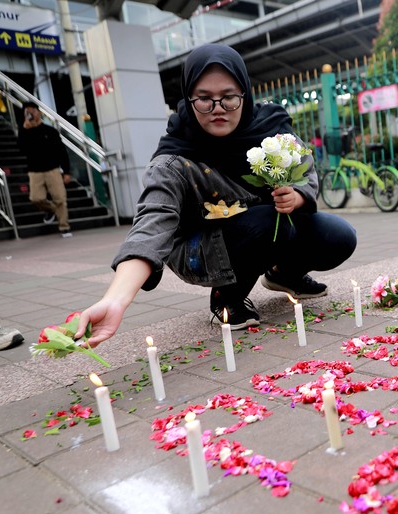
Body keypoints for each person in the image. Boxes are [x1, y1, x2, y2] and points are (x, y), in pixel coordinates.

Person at [77, 44, 357, 345]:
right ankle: (227, 297)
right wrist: (116, 299)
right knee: (265, 222)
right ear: (188, 97)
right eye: (204, 99)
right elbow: (151, 222)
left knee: (338, 236)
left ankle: (284, 275)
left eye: (229, 97)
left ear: (244, 94)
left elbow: (305, 167)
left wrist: (299, 196)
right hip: (203, 249)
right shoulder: (174, 158)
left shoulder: (271, 128)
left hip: (269, 227)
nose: (218, 108)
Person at [17, 101, 73, 237]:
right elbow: (21, 150)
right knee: (36, 198)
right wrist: (25, 130)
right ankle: (52, 210)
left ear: (39, 112)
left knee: (60, 198)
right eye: (27, 112)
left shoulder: (50, 131)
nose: (31, 115)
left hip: (53, 169)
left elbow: (62, 152)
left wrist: (66, 171)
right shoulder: (24, 131)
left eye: (33, 111)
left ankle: (64, 227)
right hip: (34, 171)